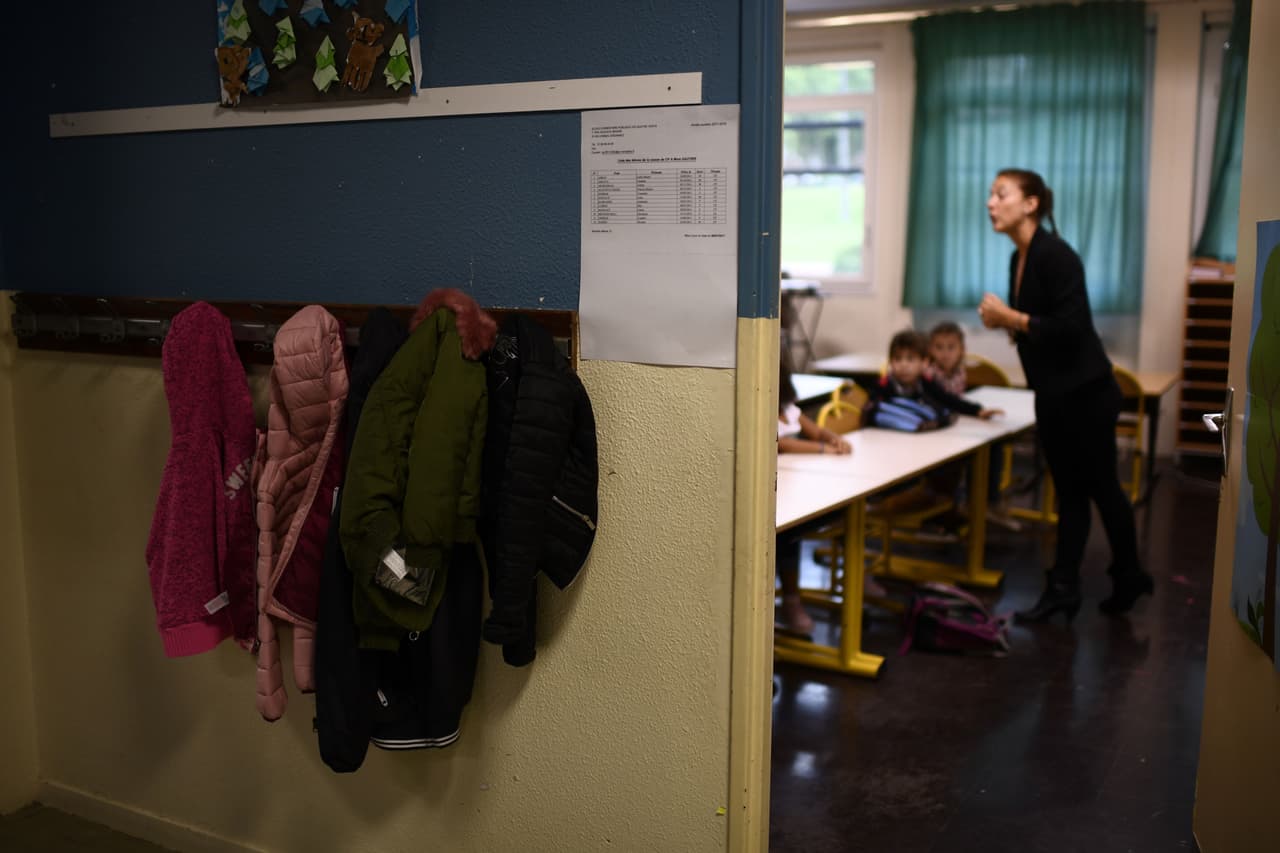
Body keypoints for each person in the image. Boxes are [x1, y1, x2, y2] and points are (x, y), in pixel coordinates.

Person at [978, 168, 1153, 622]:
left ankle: (1129, 575)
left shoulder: (1056, 255)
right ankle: (1063, 588)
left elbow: (1071, 328)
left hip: (1087, 395)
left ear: (1031, 203)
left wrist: (1009, 319)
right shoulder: (1019, 258)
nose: (990, 203)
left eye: (1001, 194)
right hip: (1054, 396)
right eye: (991, 195)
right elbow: (1038, 331)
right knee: (1070, 495)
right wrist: (1011, 323)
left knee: (1102, 490)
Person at [776, 361, 852, 634]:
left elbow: (817, 431)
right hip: (780, 496)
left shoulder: (790, 411)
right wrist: (821, 449)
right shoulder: (762, 411)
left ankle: (857, 576)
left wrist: (833, 439)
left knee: (848, 508)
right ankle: (791, 600)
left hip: (803, 487)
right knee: (788, 535)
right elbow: (781, 443)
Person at [864, 329, 1002, 431]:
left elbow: (948, 399)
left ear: (925, 363)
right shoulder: (883, 385)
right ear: (890, 362)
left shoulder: (924, 382)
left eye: (910, 359)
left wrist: (977, 411)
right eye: (897, 359)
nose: (903, 365)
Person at [925, 321, 967, 396]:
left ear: (961, 350)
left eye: (951, 347)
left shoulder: (960, 372)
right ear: (930, 350)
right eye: (939, 347)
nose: (945, 353)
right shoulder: (929, 374)